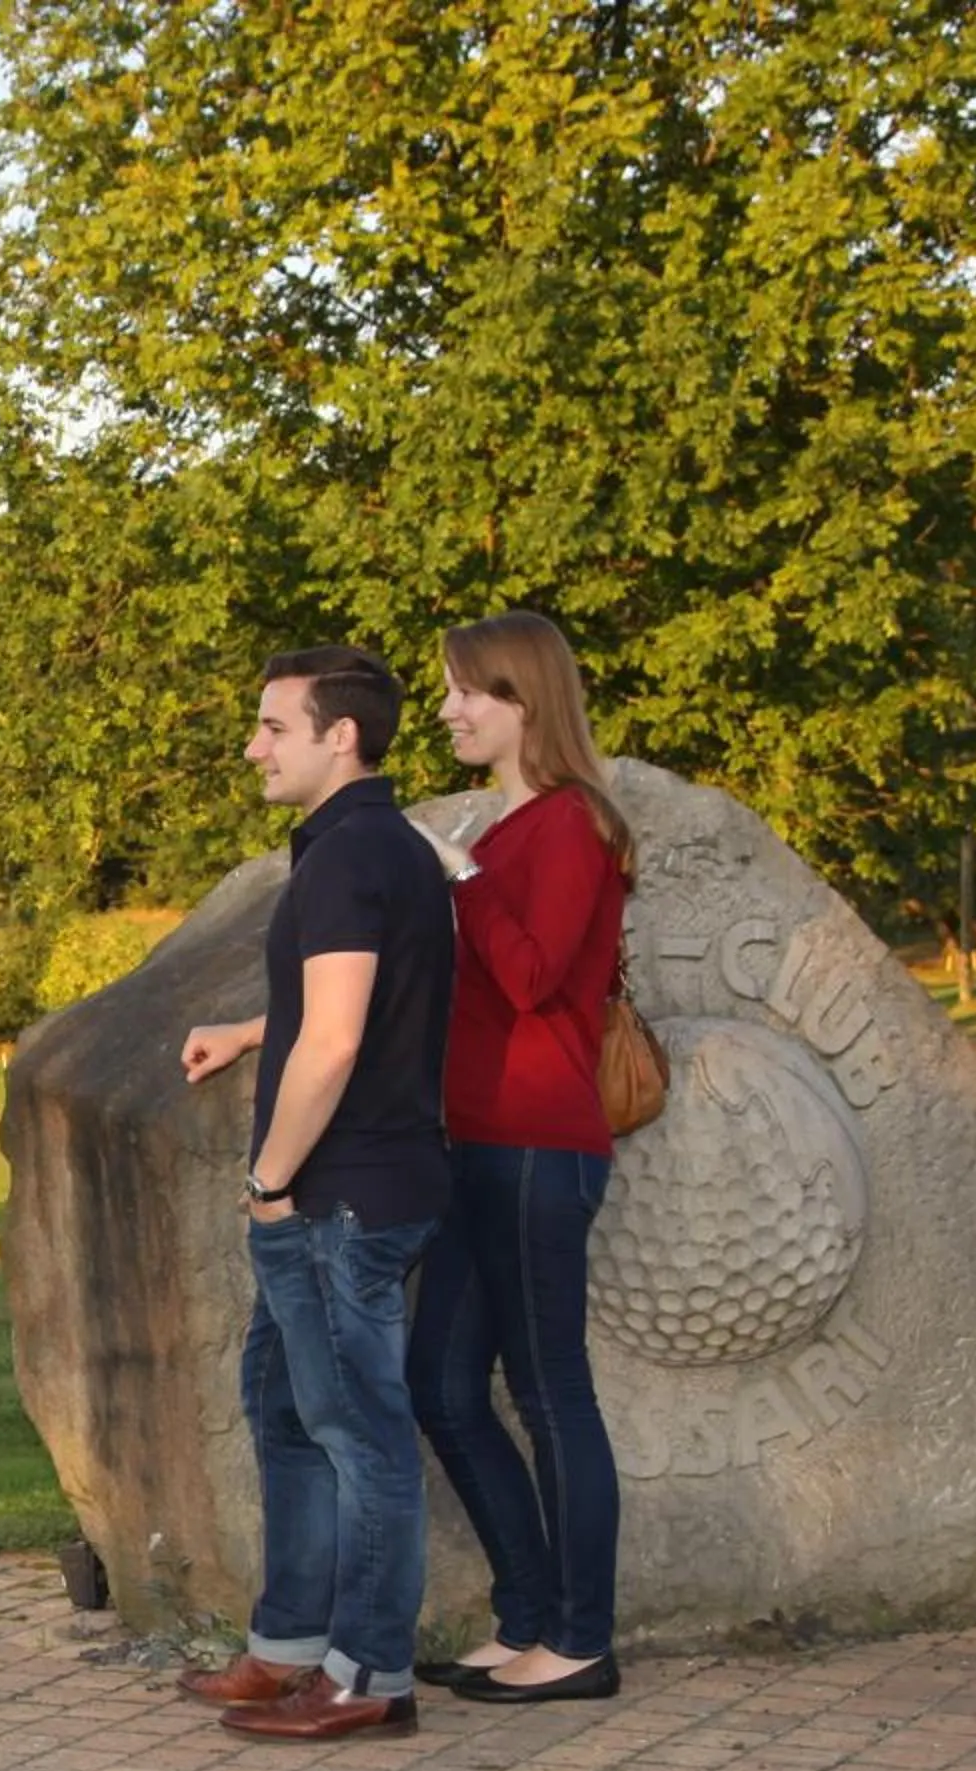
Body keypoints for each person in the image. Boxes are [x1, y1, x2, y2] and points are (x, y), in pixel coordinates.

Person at [176, 645, 454, 1744]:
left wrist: (270, 1183)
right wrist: (252, 1030)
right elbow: (351, 1005)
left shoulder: (349, 859)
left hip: (339, 1198)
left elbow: (336, 1043)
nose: (254, 746)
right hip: (347, 1189)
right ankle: (290, 1646)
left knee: (359, 1435)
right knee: (287, 1409)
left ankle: (370, 1674)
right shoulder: (373, 846)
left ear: (341, 736)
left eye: (273, 726)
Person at [403, 610, 633, 1705]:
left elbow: (535, 978)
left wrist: (459, 875)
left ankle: (581, 1642)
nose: (448, 709)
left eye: (465, 690)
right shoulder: (503, 832)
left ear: (521, 698)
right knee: (441, 1386)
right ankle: (529, 1615)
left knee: (550, 1393)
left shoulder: (573, 824)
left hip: (542, 1146)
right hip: (478, 1147)